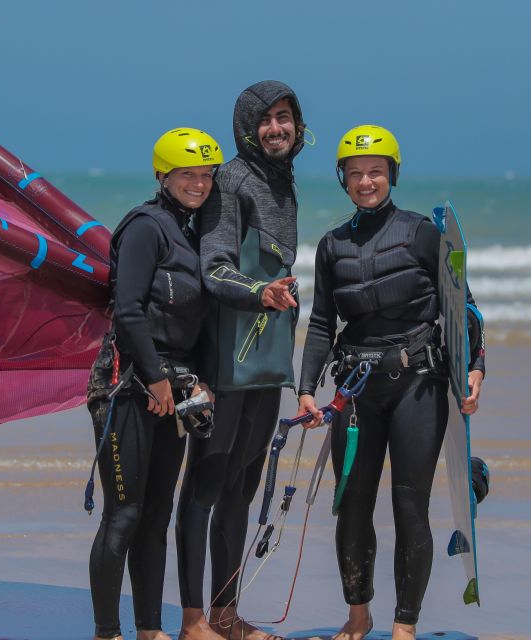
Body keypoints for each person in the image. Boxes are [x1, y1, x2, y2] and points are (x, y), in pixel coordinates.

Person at [296, 125, 486, 640]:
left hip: (416, 386)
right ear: (343, 179)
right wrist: (306, 388)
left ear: (392, 174)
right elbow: (320, 324)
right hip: (355, 390)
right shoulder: (332, 245)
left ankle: (406, 625)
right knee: (351, 506)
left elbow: (464, 308)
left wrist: (475, 368)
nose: (365, 181)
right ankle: (359, 616)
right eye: (355, 173)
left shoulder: (424, 233)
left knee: (409, 505)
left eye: (375, 171)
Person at [176, 80, 305, 640]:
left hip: (264, 360)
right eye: (267, 119)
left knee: (243, 486)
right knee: (206, 485)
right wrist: (263, 294)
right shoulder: (231, 180)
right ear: (247, 127)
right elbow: (216, 266)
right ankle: (192, 619)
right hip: (225, 359)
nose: (277, 128)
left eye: (286, 118)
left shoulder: (282, 182)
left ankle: (226, 615)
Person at [86, 128, 222, 640]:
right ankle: (107, 633)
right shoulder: (146, 226)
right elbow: (128, 310)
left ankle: (149, 629)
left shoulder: (190, 232)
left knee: (156, 516)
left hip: (172, 385)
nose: (199, 183)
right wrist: (156, 379)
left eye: (207, 175)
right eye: (188, 174)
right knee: (124, 514)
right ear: (163, 175)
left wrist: (195, 384)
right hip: (127, 383)